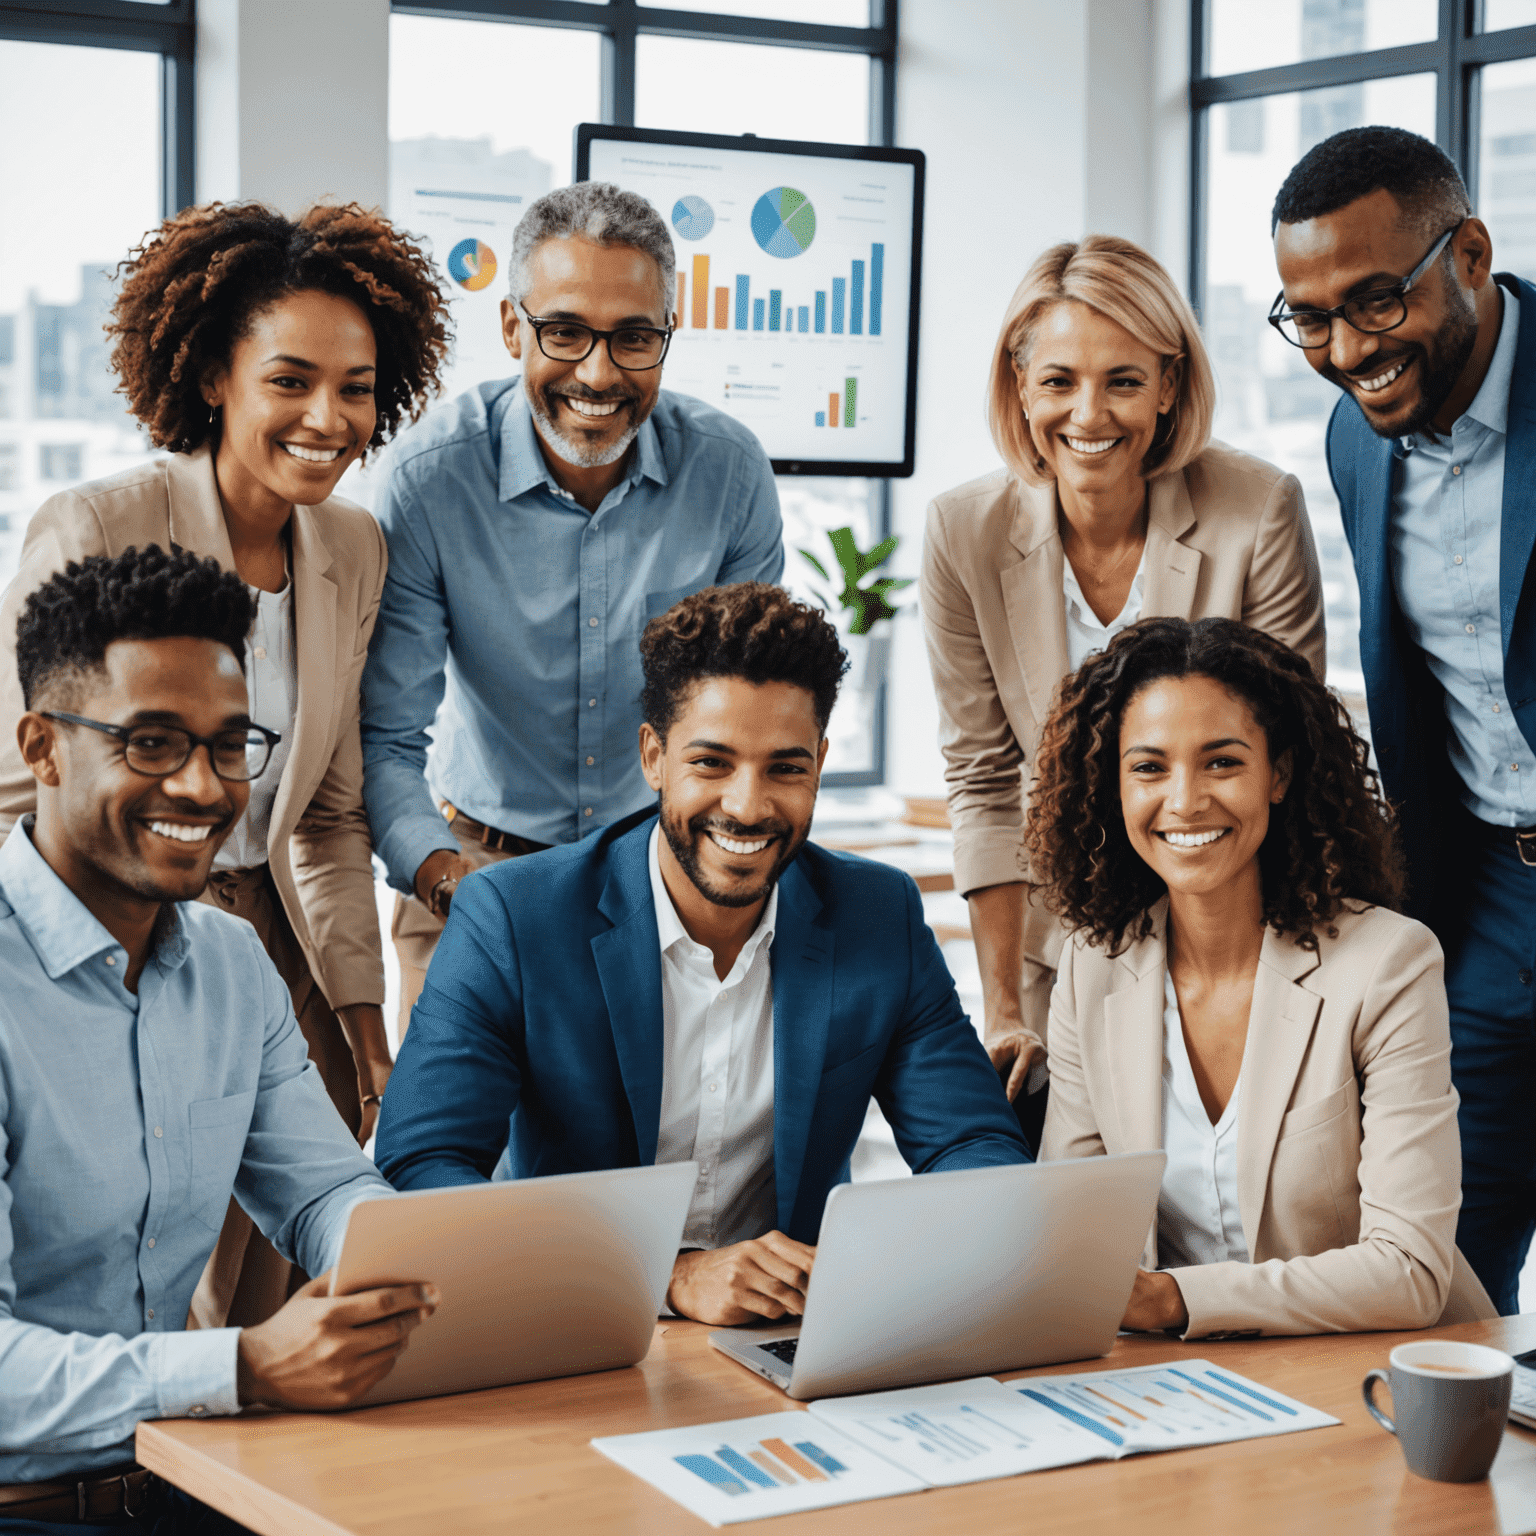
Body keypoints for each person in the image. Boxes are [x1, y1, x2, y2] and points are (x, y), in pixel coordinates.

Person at [0, 201, 450, 1331]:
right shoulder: (100, 524)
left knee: (284, 1278)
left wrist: (361, 1021)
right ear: (212, 376)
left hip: (268, 945)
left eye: (357, 388)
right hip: (104, 926)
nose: (328, 417)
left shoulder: (352, 546)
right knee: (127, 1242)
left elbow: (331, 812)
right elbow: (24, 779)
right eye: (291, 381)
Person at [375, 584, 1028, 1326]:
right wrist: (668, 1275)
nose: (748, 806)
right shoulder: (515, 918)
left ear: (819, 760)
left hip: (789, 1340)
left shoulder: (878, 915)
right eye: (713, 763)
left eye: (785, 768)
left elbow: (974, 1145)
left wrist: (896, 1260)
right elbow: (418, 1169)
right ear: (654, 756)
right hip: (574, 1323)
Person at [0, 548, 435, 1535]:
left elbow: (323, 1188)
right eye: (151, 742)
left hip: (195, 1485)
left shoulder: (233, 965)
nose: (202, 786)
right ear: (42, 747)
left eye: (229, 744)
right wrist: (246, 1362)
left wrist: (393, 1269)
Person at [920, 235, 1327, 1145]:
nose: (1088, 413)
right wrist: (1002, 1008)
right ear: (1019, 387)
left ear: (1171, 384)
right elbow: (985, 779)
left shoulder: (1257, 510)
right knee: (1059, 1238)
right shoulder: (963, 532)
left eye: (1125, 380)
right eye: (1058, 380)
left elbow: (1291, 759)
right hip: (1051, 949)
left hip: (1231, 939)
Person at [360, 182, 784, 1033]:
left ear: (668, 337)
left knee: (662, 1154)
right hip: (470, 872)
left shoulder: (729, 473)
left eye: (633, 338)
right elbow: (386, 739)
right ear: (514, 328)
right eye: (564, 333)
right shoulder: (428, 481)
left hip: (667, 871)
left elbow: (753, 720)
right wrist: (449, 879)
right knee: (454, 1160)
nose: (597, 374)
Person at [1030, 615, 1494, 1337]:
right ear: (1110, 786)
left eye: (1221, 762)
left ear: (1278, 774)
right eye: (1149, 767)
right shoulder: (1094, 969)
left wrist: (1174, 1301)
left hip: (1374, 1371)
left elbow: (1409, 1269)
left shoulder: (1389, 964)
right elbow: (1075, 1235)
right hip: (1180, 1382)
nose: (1184, 801)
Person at [1271, 126, 1536, 1315]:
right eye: (1309, 318)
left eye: (1375, 303)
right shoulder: (1354, 439)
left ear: (1469, 256)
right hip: (1486, 897)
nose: (1344, 351)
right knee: (1445, 1275)